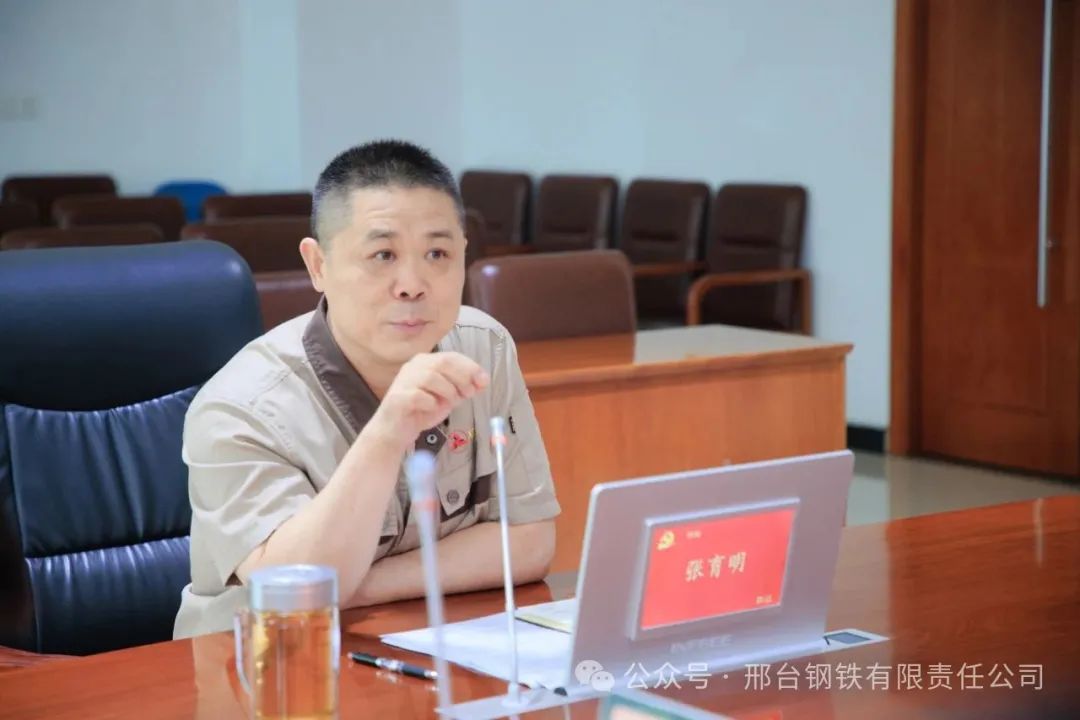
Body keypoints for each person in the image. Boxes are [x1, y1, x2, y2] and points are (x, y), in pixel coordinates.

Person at [173, 140, 559, 638]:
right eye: (383, 255)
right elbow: (299, 591)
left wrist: (358, 585)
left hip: (416, 639)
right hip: (259, 662)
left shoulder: (484, 348)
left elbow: (530, 541)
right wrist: (388, 431)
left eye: (437, 253)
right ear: (318, 265)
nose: (413, 284)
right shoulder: (240, 406)